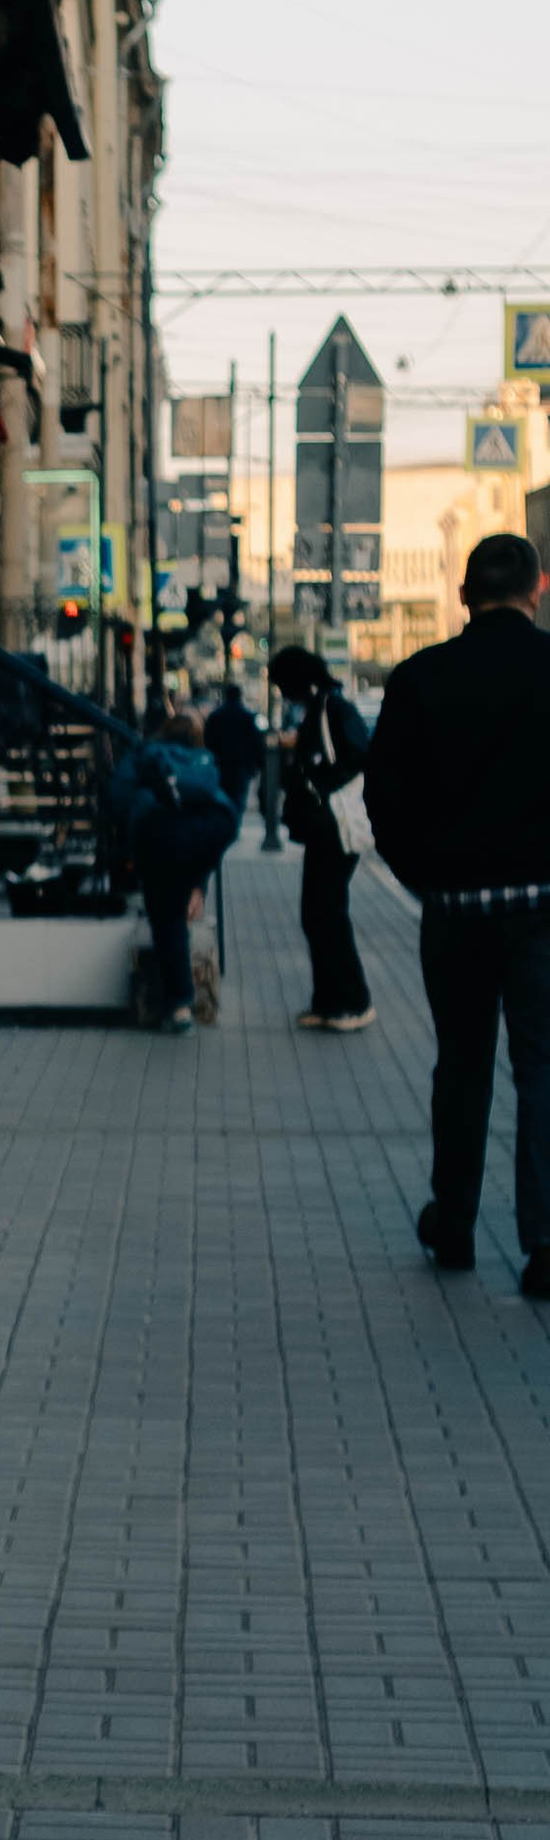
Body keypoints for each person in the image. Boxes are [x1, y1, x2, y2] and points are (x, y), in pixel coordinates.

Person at [364, 526, 550, 1289]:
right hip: (544, 911)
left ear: (465, 594)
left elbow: (383, 798)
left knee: (462, 1067)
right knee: (543, 1069)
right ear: (538, 590)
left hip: (455, 912)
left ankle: (456, 1224)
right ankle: (545, 1243)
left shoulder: (420, 678)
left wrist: (426, 877)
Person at [267, 642, 375, 1029]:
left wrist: (318, 782)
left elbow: (358, 755)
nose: (282, 693)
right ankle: (328, 1001)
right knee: (316, 914)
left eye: (283, 684)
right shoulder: (320, 708)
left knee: (327, 914)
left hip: (335, 828)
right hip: (322, 830)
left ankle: (354, 1002)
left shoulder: (333, 707)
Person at [113, 713, 239, 1030]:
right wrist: (199, 884)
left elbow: (117, 797)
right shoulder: (201, 759)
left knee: (167, 920)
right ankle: (193, 894)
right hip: (209, 833)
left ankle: (180, 1007)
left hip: (160, 837)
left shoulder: (145, 754)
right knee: (178, 908)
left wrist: (131, 847)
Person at [202, 683, 264, 834]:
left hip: (221, 762)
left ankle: (227, 823)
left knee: (224, 793)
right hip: (242, 763)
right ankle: (234, 824)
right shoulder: (248, 716)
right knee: (239, 795)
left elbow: (208, 739)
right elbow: (256, 741)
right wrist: (257, 763)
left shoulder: (216, 716)